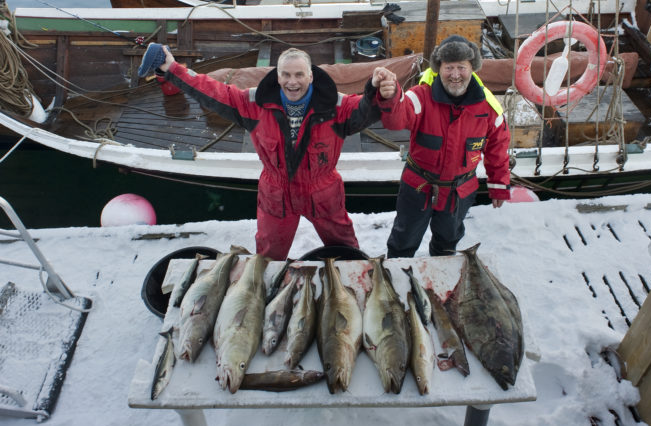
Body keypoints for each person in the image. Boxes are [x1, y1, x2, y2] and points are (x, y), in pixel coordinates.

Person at [148, 45, 397, 260]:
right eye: (286, 75)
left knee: (347, 251)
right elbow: (213, 91)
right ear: (277, 77)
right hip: (276, 195)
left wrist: (379, 92)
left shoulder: (336, 106)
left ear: (311, 76)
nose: (292, 82)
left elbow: (365, 109)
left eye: (299, 75)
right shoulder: (253, 104)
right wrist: (172, 69)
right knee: (268, 258)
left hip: (323, 193)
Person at [375, 35, 511, 258]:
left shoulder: (488, 107)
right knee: (403, 240)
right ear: (439, 68)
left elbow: (498, 147)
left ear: (472, 68)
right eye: (449, 67)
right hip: (418, 187)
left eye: (461, 67)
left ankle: (441, 278)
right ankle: (396, 279)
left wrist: (499, 184)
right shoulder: (420, 96)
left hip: (459, 191)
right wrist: (390, 98)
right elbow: (396, 120)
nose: (455, 75)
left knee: (447, 242)